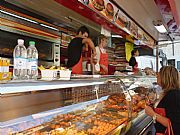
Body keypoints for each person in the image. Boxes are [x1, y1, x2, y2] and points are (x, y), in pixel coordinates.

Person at [145, 66, 180, 134]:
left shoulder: (174, 96)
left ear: (165, 77)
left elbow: (175, 125)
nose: (157, 76)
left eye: (159, 74)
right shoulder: (169, 93)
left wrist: (152, 114)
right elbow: (167, 111)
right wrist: (153, 106)